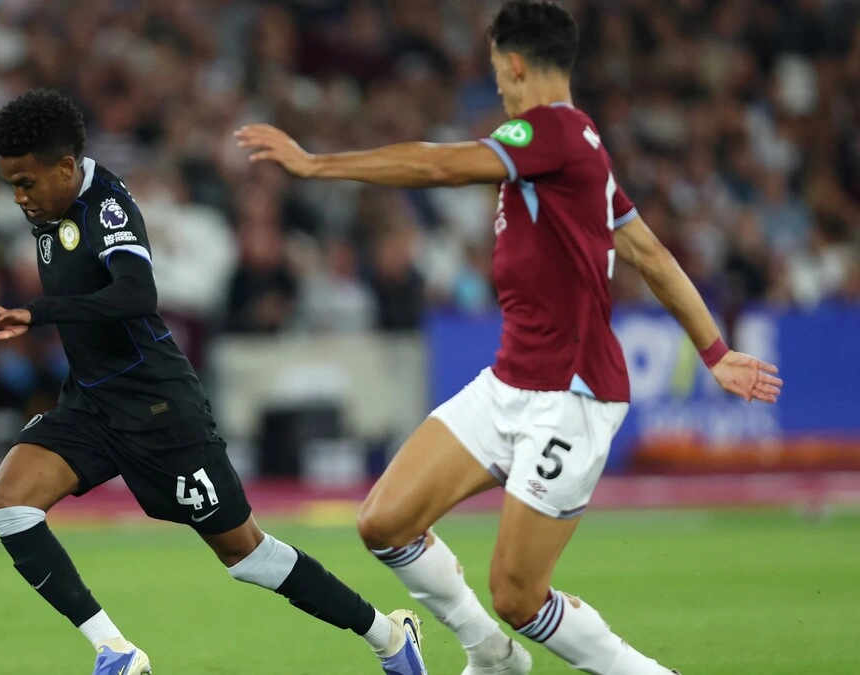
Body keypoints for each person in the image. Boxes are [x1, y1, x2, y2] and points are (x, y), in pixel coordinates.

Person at [235, 2, 783, 674]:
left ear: (516, 64)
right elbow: (649, 253)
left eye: (498, 69)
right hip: (512, 380)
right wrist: (715, 353)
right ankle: (491, 654)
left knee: (519, 597)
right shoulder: (583, 147)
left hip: (571, 396)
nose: (497, 84)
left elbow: (441, 167)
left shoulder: (550, 131)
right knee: (385, 521)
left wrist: (317, 165)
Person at [0, 89, 427, 675]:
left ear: (64, 167)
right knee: (9, 503)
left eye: (26, 182)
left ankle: (389, 637)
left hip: (158, 409)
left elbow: (138, 294)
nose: (19, 197)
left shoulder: (106, 207)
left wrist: (39, 313)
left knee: (245, 554)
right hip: (92, 403)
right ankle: (116, 651)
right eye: (11, 184)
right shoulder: (49, 208)